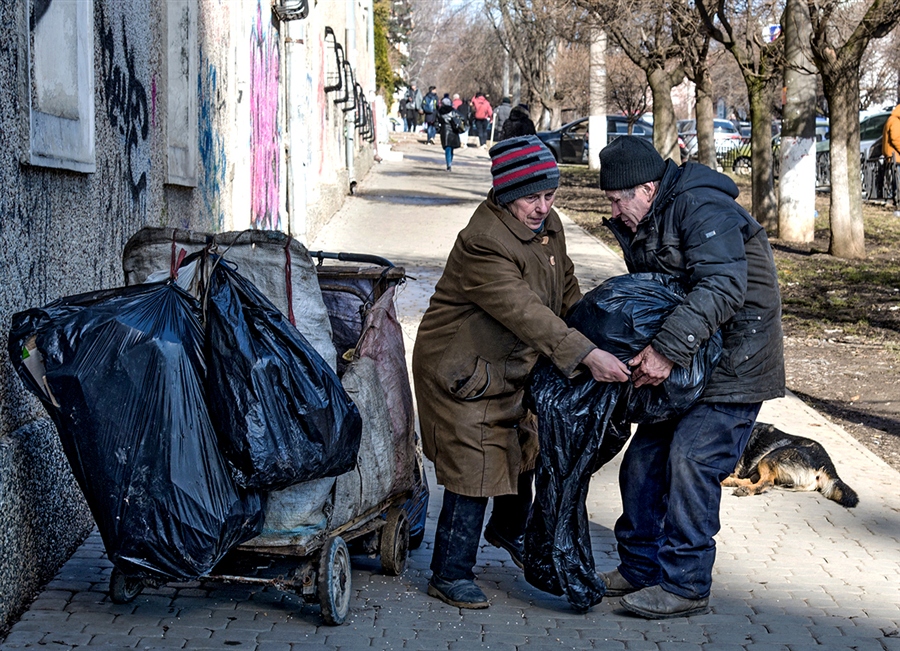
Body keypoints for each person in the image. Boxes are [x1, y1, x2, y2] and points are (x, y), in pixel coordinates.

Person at [413, 135, 629, 609]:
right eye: (532, 197)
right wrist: (586, 355)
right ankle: (449, 573)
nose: (542, 207)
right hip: (463, 369)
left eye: (549, 195)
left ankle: (508, 529)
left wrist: (600, 336)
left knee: (527, 445)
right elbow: (525, 311)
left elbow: (565, 288)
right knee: (476, 467)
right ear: (508, 194)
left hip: (513, 361)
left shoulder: (548, 225)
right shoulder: (483, 243)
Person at [594, 136, 785, 619]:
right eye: (610, 202)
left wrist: (665, 350)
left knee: (691, 459)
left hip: (737, 361)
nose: (615, 211)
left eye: (619, 200)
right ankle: (640, 568)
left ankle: (685, 585)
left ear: (649, 187)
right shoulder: (651, 214)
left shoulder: (701, 207)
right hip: (693, 360)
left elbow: (722, 286)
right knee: (643, 461)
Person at [436, 97, 464, 171]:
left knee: (447, 148)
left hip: (444, 131)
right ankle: (449, 163)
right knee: (451, 149)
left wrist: (438, 129)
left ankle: (449, 164)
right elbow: (462, 118)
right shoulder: (453, 111)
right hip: (453, 130)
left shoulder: (439, 112)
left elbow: (436, 122)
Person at [883, 102, 900, 209]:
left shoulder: (891, 119)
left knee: (895, 181)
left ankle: (894, 199)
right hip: (896, 157)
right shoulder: (895, 121)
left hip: (892, 157)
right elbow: (896, 139)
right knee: (897, 181)